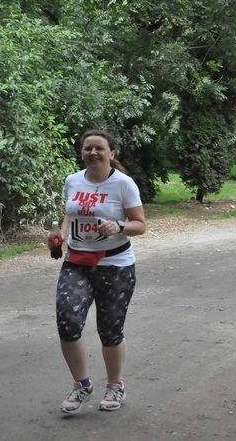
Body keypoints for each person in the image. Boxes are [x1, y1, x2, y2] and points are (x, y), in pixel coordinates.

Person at [48, 129, 146, 415]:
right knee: (67, 322)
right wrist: (61, 235)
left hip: (115, 265)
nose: (93, 153)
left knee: (110, 330)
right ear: (82, 152)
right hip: (76, 262)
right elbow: (71, 212)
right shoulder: (73, 180)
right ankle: (82, 385)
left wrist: (120, 226)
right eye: (87, 148)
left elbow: (140, 224)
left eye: (99, 148)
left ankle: (115, 386)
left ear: (111, 153)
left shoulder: (124, 184)